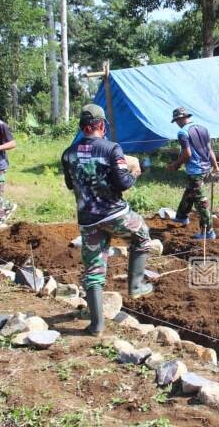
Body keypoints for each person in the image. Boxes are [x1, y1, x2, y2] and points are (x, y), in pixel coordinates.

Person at [61, 104, 154, 336]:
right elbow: (122, 183)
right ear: (102, 125)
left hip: (88, 220)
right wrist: (134, 173)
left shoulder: (68, 153)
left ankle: (96, 326)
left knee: (93, 270)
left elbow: (70, 184)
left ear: (83, 127)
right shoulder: (112, 148)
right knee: (142, 234)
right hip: (114, 214)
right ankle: (136, 286)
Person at [167, 107, 219, 239]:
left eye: (177, 120)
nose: (177, 123)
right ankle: (181, 216)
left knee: (201, 201)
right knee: (190, 192)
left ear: (180, 118)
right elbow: (209, 150)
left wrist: (175, 165)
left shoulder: (182, 133)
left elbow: (187, 154)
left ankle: (208, 231)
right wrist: (215, 166)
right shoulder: (203, 128)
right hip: (205, 167)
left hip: (195, 170)